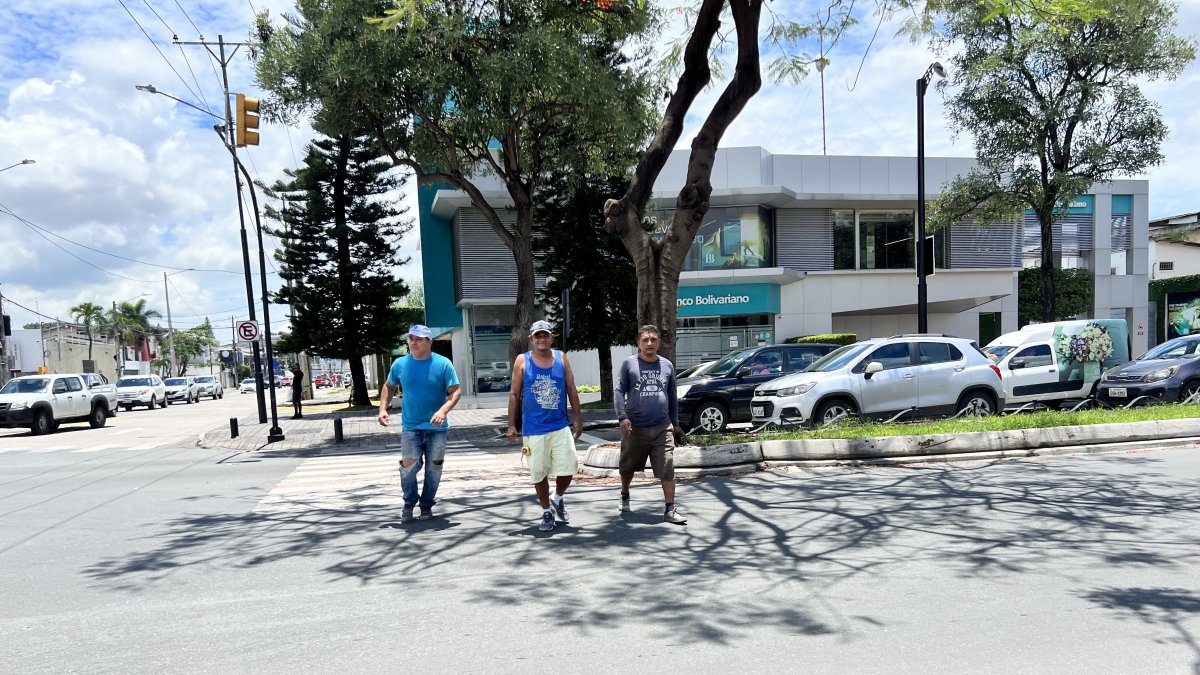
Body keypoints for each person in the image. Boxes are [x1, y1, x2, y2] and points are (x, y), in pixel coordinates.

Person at [378, 325, 462, 523]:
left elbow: (455, 391)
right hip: (411, 427)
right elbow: (389, 386)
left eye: (419, 339)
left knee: (434, 468)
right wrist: (383, 408)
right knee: (408, 467)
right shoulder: (400, 364)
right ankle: (409, 503)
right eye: (411, 338)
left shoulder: (443, 364)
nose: (413, 342)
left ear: (429, 342)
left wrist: (443, 411)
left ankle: (426, 505)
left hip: (437, 429)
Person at [507, 320, 584, 532]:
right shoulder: (522, 360)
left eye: (545, 335)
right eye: (537, 336)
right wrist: (511, 424)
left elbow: (571, 389)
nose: (542, 339)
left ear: (552, 338)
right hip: (534, 428)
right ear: (531, 339)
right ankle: (546, 512)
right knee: (538, 473)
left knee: (569, 466)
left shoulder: (561, 357)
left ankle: (557, 498)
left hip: (559, 425)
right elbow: (514, 394)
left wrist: (578, 418)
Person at [614, 324, 687, 525]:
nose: (649, 343)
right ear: (638, 343)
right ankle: (625, 493)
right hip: (634, 427)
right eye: (645, 340)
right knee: (627, 466)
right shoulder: (629, 364)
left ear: (659, 343)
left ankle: (670, 509)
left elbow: (672, 395)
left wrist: (675, 423)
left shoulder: (667, 365)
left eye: (653, 339)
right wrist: (622, 417)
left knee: (667, 465)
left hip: (662, 427)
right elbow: (619, 392)